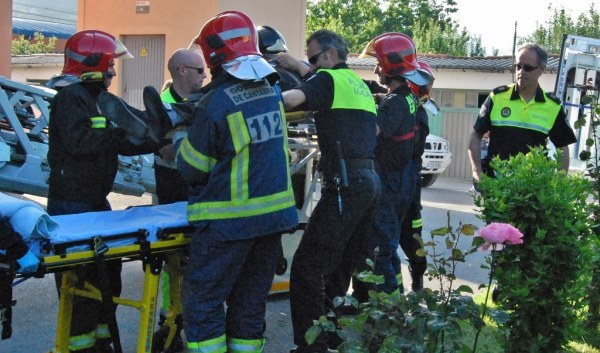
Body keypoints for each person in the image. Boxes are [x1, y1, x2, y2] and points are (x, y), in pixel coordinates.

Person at [174, 11, 298, 353]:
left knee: (204, 303)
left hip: (228, 225)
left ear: (213, 54)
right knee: (248, 303)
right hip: (272, 222)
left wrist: (177, 144)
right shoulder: (270, 92)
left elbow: (192, 169)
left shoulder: (216, 103)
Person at [47, 29, 157, 353]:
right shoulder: (71, 98)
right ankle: (80, 347)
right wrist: (121, 133)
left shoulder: (99, 100)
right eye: (110, 64)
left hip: (94, 204)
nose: (113, 71)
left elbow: (123, 139)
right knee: (80, 282)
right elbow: (79, 142)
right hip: (72, 207)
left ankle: (100, 341)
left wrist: (156, 138)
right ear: (92, 64)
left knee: (107, 275)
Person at [281, 29, 381, 353]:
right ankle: (332, 337)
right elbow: (322, 83)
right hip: (369, 182)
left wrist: (253, 102)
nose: (312, 65)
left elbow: (292, 99)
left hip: (346, 185)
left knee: (307, 267)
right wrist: (297, 65)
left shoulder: (327, 81)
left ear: (331, 55)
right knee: (338, 267)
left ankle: (311, 347)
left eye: (313, 58)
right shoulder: (359, 86)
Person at [350, 33, 433, 299]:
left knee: (380, 249)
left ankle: (389, 313)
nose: (375, 70)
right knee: (387, 246)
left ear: (391, 66)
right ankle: (386, 303)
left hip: (389, 183)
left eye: (378, 64)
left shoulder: (395, 104)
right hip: (400, 182)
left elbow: (369, 133)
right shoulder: (407, 97)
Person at [152, 48, 207, 353]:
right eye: (200, 71)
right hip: (173, 192)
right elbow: (165, 152)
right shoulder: (161, 106)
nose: (204, 76)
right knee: (173, 262)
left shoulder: (205, 101)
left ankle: (187, 321)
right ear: (182, 71)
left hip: (197, 191)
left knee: (195, 263)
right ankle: (169, 324)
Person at [468, 43, 577, 183]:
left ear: (541, 70)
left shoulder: (552, 106)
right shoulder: (497, 97)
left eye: (528, 67)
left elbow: (562, 147)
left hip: (532, 189)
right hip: (496, 185)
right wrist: (477, 172)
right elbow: (475, 135)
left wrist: (559, 182)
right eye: (518, 66)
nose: (521, 71)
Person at [400, 60, 438, 292]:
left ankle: (416, 284)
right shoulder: (409, 108)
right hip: (404, 181)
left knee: (412, 237)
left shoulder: (417, 114)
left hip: (406, 182)